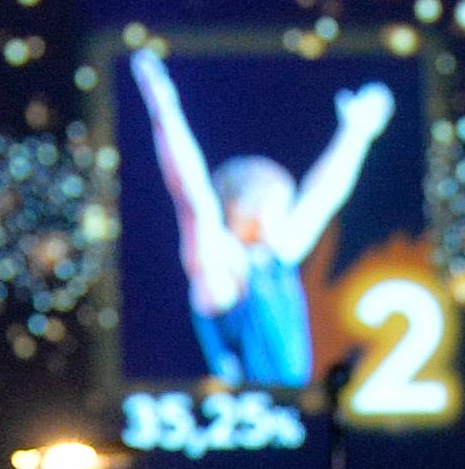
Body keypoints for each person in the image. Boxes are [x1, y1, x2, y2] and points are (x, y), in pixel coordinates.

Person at [127, 46, 393, 387]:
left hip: (291, 418)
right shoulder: (220, 274)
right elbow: (193, 197)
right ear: (252, 214)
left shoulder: (276, 260)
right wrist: (163, 106)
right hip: (245, 426)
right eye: (283, 206)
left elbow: (323, 195)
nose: (293, 214)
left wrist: (357, 132)